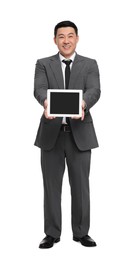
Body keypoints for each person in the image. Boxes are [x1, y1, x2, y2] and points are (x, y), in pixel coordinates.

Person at [34, 20, 101, 248]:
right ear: (55, 40)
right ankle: (52, 233)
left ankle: (81, 233)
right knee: (51, 187)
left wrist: (83, 103)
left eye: (70, 36)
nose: (66, 40)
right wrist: (45, 102)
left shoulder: (89, 64)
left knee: (81, 186)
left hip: (80, 135)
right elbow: (39, 88)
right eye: (61, 36)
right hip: (51, 135)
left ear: (77, 38)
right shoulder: (43, 64)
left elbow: (94, 90)